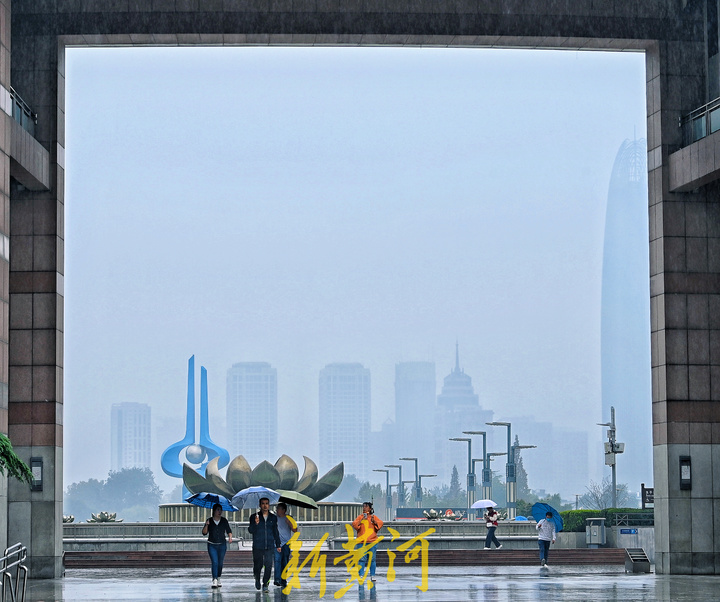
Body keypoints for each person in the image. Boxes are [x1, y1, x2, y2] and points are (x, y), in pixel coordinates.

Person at [248, 497, 282, 592]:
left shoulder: (273, 517)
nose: (265, 505)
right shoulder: (254, 517)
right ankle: (257, 578)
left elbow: (275, 531)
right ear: (260, 505)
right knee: (257, 565)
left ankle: (265, 584)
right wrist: (256, 524)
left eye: (267, 503)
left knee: (268, 565)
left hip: (269, 545)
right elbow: (250, 530)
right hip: (258, 546)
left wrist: (278, 544)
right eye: (263, 503)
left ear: (269, 505)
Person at [201, 503, 233, 589]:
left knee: (220, 563)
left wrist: (230, 537)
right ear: (214, 511)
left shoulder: (224, 520)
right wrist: (207, 525)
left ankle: (219, 577)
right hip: (212, 544)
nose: (219, 512)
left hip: (222, 544)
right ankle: (214, 579)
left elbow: (228, 530)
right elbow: (204, 533)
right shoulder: (209, 520)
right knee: (215, 562)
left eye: (220, 510)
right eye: (217, 510)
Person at [351, 501, 384, 583]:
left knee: (372, 560)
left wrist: (374, 521)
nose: (364, 508)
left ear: (370, 508)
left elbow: (380, 524)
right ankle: (361, 575)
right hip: (361, 542)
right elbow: (354, 525)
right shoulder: (360, 517)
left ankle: (372, 575)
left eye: (366, 506)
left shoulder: (373, 517)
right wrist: (361, 520)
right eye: (363, 506)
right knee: (361, 559)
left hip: (372, 541)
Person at [273, 502, 299, 587]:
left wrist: (289, 523)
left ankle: (283, 580)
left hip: (286, 544)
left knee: (284, 562)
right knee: (277, 561)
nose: (277, 510)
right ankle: (277, 579)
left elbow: (295, 530)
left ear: (283, 510)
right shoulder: (274, 518)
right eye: (276, 509)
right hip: (277, 543)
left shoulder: (289, 518)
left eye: (278, 509)